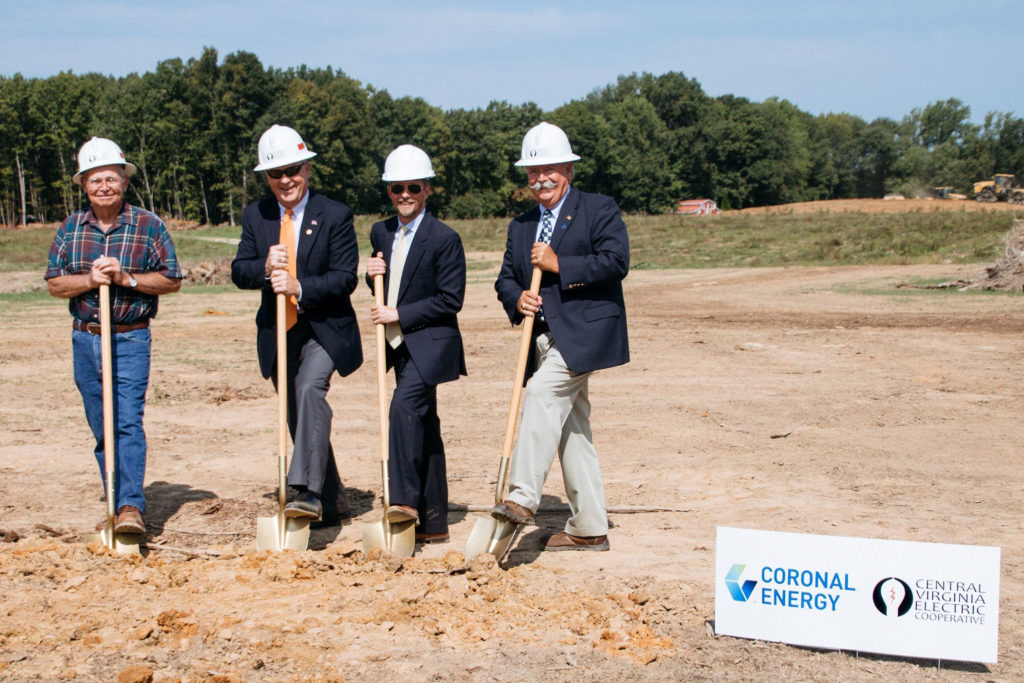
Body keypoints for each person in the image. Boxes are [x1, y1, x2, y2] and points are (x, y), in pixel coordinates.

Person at [491, 122, 630, 551]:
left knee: (540, 395)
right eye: (532, 172)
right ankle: (589, 527)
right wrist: (518, 300)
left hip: (584, 335)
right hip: (541, 339)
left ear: (568, 168)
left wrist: (558, 263)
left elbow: (615, 261)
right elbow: (503, 281)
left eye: (549, 169)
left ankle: (521, 498)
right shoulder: (521, 225)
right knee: (573, 429)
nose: (540, 179)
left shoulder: (598, 208)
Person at [45, 137, 183, 535]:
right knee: (102, 424)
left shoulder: (148, 225)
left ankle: (128, 508)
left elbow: (172, 280)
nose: (103, 186)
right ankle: (115, 494)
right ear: (83, 185)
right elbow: (54, 284)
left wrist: (128, 278)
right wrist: (88, 280)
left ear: (124, 181)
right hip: (86, 338)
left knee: (126, 422)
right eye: (94, 180)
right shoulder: (71, 229)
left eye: (111, 178)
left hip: (130, 337)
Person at [231, 124, 362, 526]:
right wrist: (263, 268)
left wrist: (300, 286)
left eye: (293, 170)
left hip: (324, 327)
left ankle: (305, 492)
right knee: (297, 412)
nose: (285, 180)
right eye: (275, 174)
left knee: (309, 390)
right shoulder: (257, 214)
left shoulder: (335, 214)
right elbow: (240, 270)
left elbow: (345, 277)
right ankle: (333, 498)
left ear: (307, 168)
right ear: (266, 178)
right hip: (279, 331)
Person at [365, 145, 466, 544]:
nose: (404, 194)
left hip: (431, 344)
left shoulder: (445, 238)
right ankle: (434, 521)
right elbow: (383, 283)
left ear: (427, 190)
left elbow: (450, 299)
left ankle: (404, 502)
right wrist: (369, 273)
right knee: (426, 425)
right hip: (397, 345)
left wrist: (400, 315)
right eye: (396, 188)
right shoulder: (380, 231)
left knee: (404, 408)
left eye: (413, 187)